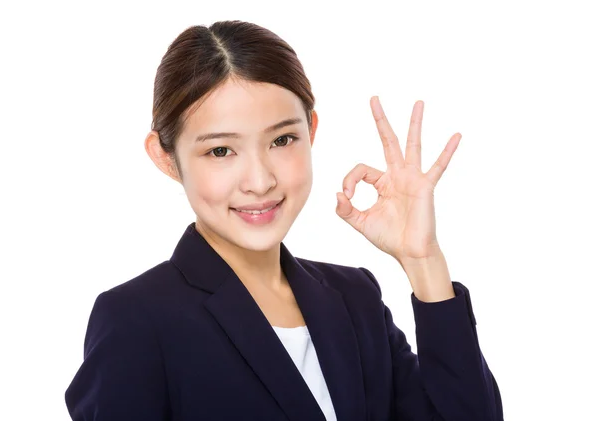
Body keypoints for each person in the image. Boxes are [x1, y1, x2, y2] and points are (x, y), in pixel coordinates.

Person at [64, 20, 503, 421]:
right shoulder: (136, 320)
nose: (259, 181)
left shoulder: (355, 299)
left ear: (311, 131)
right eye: (221, 150)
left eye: (282, 139)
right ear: (165, 156)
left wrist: (423, 261)